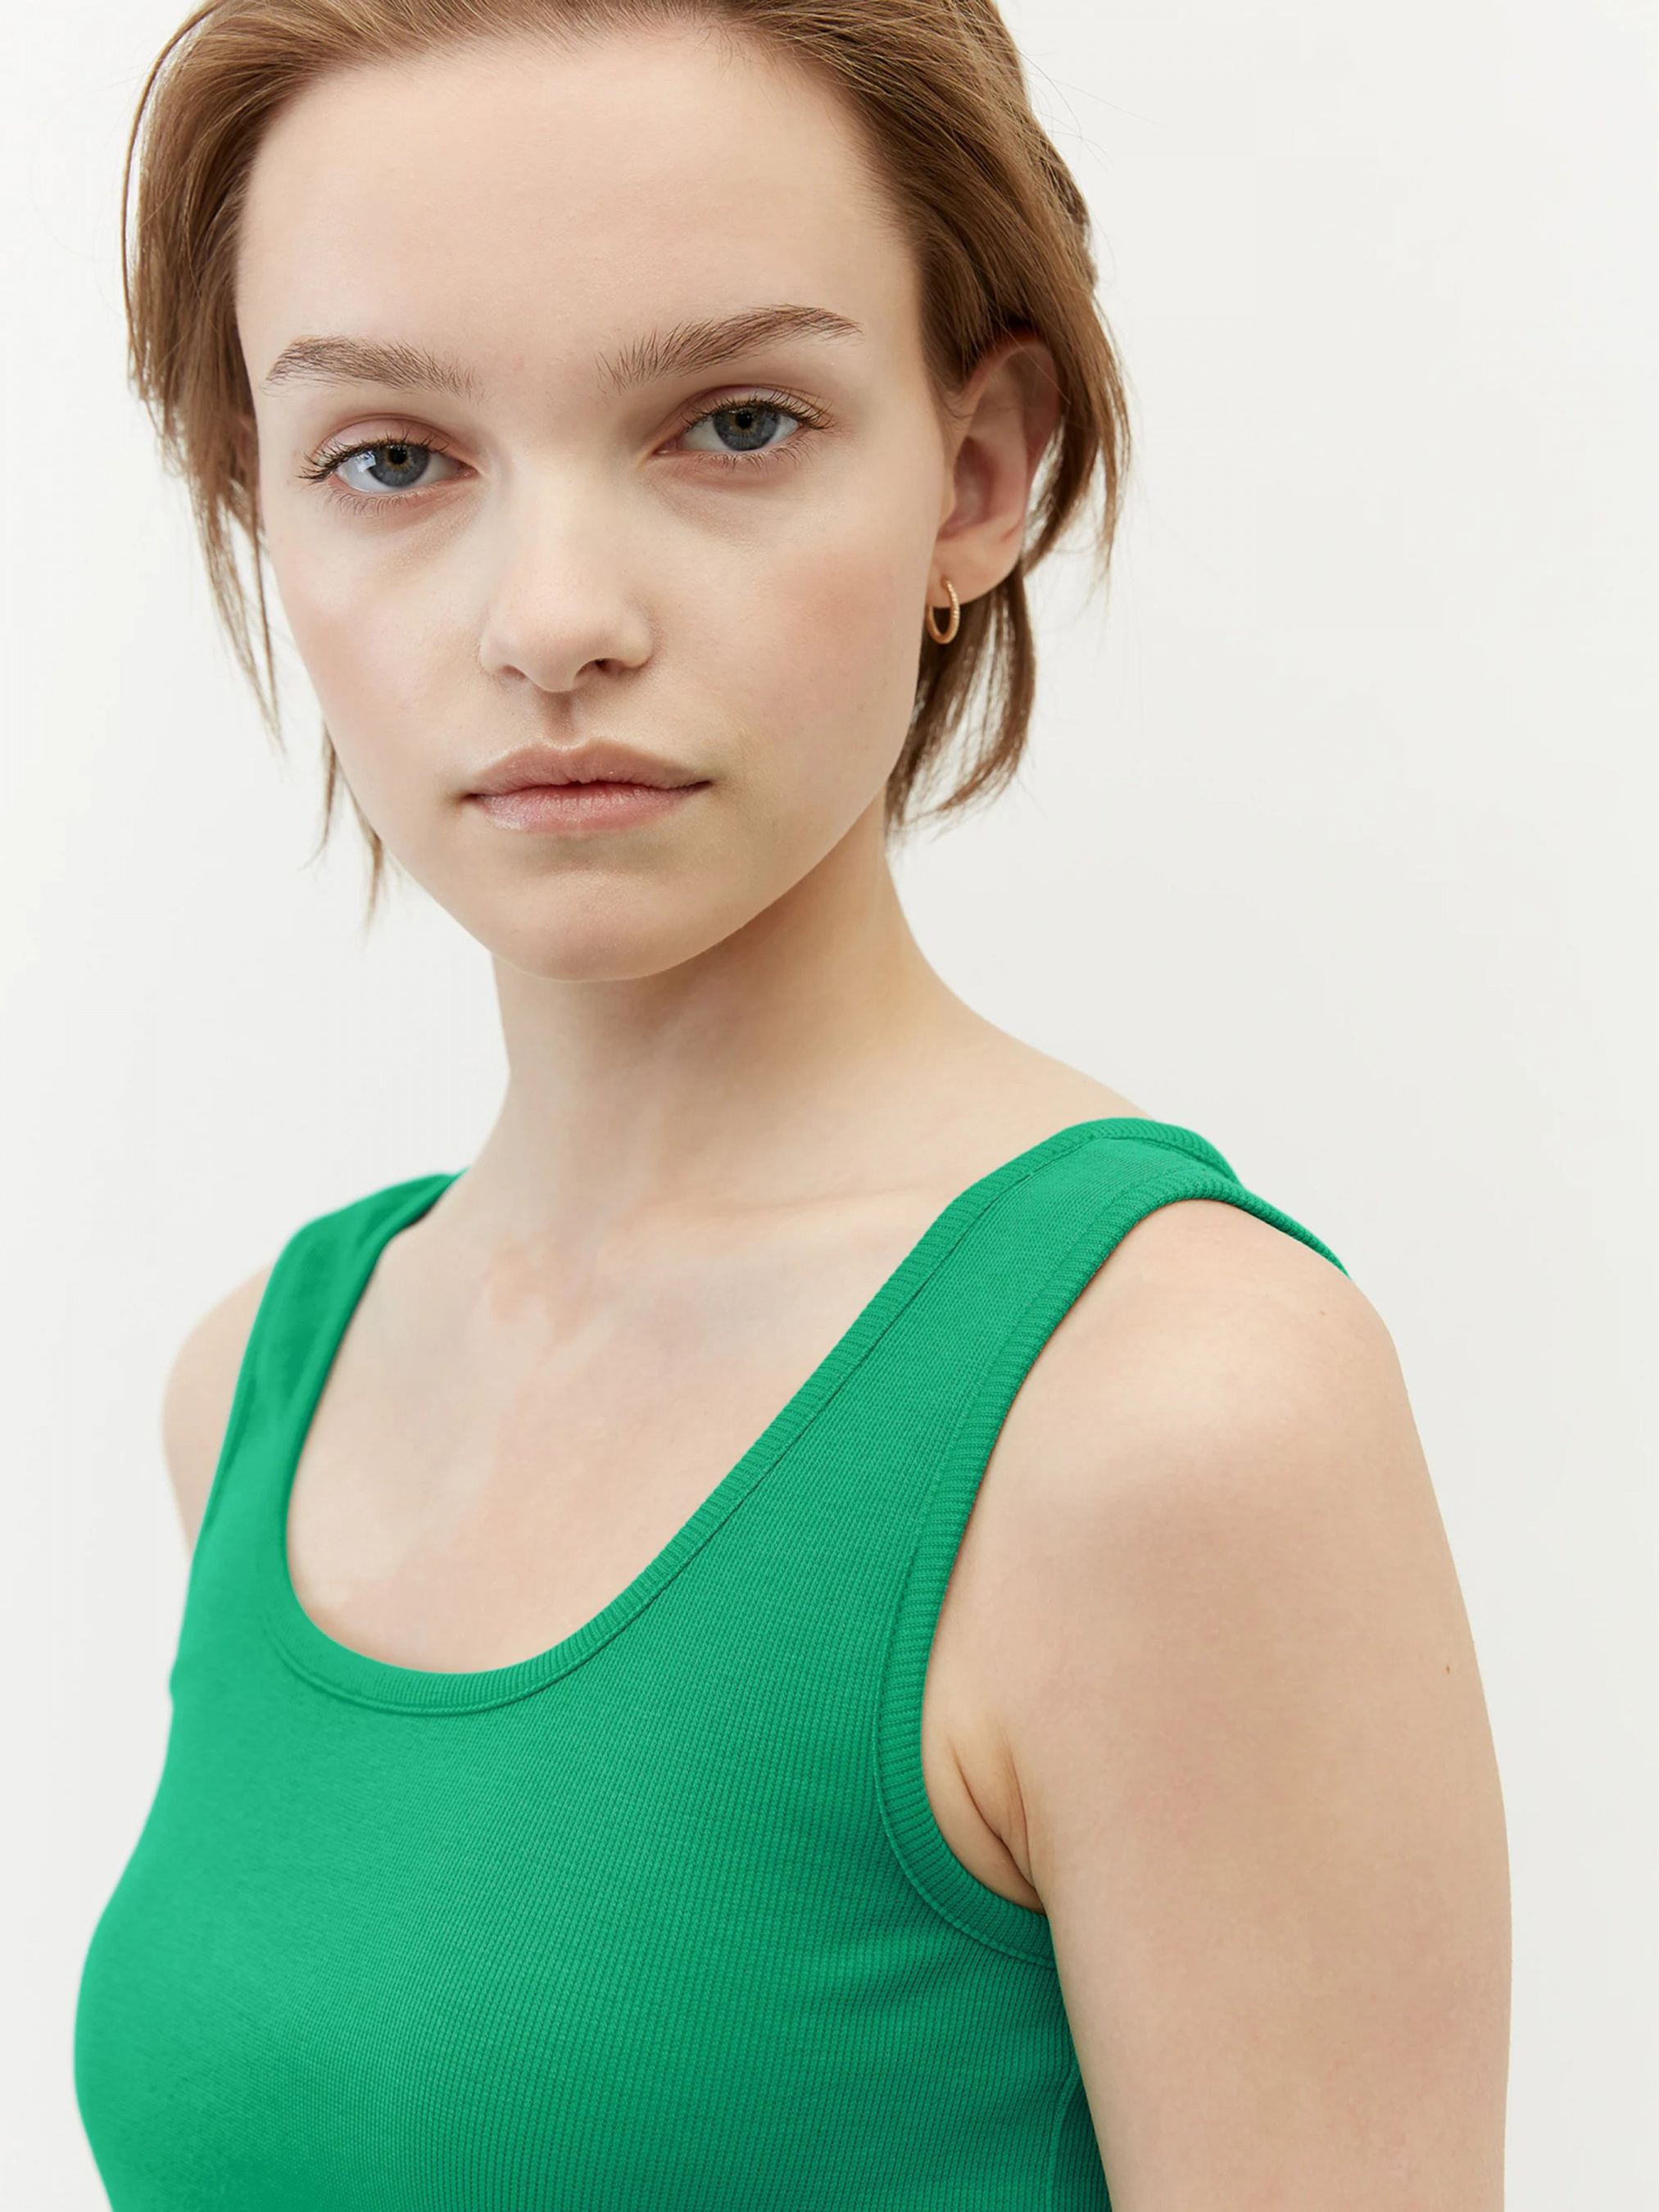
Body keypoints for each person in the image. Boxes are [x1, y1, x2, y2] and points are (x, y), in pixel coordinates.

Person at [72, 2, 1511, 2206]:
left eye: (734, 423)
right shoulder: (263, 1383)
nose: (554, 619)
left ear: (975, 474)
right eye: (391, 457)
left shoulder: (1166, 1413)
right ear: (253, 495)